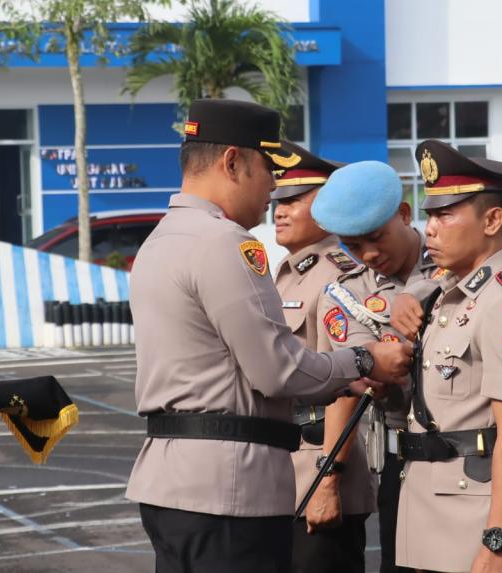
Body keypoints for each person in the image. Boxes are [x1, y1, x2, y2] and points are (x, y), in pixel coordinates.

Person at [125, 99, 414, 573]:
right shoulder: (224, 242)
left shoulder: (161, 239)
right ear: (232, 162)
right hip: (228, 490)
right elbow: (277, 369)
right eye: (267, 171)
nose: (272, 190)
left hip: (170, 481)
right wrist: (362, 362)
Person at [388, 140, 502, 572]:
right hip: (430, 518)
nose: (431, 228)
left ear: (492, 220)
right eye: (430, 214)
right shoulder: (449, 291)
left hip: (478, 527)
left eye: (446, 214)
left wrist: (498, 540)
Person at [309, 160, 436, 573]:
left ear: (404, 213)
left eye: (376, 238)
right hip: (405, 462)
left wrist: (417, 290)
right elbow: (367, 374)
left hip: (475, 459)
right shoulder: (345, 296)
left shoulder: (456, 264)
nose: (369, 254)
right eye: (352, 245)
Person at [272, 142, 375, 573]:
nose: (279, 210)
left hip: (318, 470)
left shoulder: (338, 277)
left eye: (294, 200)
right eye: (277, 199)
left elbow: (351, 382)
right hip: (284, 472)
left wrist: (327, 480)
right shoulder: (288, 272)